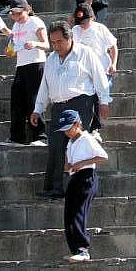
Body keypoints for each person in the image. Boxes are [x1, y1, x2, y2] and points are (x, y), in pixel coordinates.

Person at [31, 21, 111, 199]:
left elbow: (99, 78)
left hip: (80, 103)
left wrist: (104, 101)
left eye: (59, 42)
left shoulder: (85, 53)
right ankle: (55, 187)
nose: (56, 46)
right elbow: (44, 86)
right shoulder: (51, 59)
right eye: (53, 42)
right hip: (58, 105)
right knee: (56, 145)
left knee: (76, 143)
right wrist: (38, 109)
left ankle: (79, 187)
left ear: (69, 38)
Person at [57, 109, 108, 262]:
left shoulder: (87, 138)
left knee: (79, 212)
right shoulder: (70, 142)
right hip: (75, 177)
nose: (67, 132)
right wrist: (68, 165)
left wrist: (81, 163)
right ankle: (75, 249)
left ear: (77, 124)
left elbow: (103, 156)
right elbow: (68, 163)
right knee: (69, 214)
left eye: (69, 128)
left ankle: (83, 249)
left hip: (86, 176)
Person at [0, 0, 49, 147]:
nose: (16, 17)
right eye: (13, 14)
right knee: (17, 101)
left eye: (19, 13)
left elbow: (46, 45)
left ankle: (40, 136)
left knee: (33, 100)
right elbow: (13, 46)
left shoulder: (36, 22)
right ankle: (16, 137)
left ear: (27, 10)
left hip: (36, 64)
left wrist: (34, 43)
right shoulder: (15, 26)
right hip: (21, 65)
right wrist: (9, 51)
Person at [72, 3, 118, 131]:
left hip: (102, 69)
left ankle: (95, 128)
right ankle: (86, 126)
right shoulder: (75, 31)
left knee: (99, 97)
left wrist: (113, 64)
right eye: (80, 22)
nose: (83, 25)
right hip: (84, 71)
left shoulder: (100, 29)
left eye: (85, 21)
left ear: (92, 18)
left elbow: (113, 47)